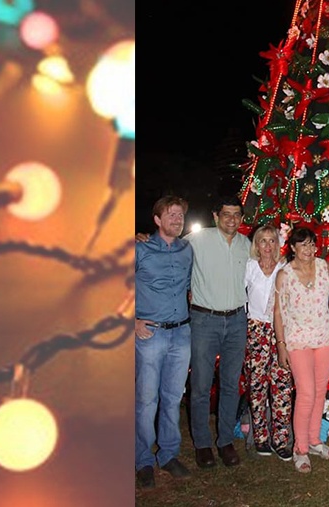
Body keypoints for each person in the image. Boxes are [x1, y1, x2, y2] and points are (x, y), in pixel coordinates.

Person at [273, 226, 329, 473]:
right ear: (293, 248)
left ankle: (315, 440)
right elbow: (278, 312)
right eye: (303, 244)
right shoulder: (285, 274)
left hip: (326, 337)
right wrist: (281, 345)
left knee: (319, 391)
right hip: (298, 340)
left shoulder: (324, 266)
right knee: (306, 392)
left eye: (312, 244)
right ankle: (301, 448)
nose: (308, 249)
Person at [186, 196, 251, 469]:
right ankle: (202, 444)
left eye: (237, 215)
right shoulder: (195, 241)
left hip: (237, 321)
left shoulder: (247, 245)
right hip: (204, 320)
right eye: (226, 214)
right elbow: (166, 249)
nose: (232, 220)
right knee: (200, 386)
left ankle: (225, 441)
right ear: (216, 216)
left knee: (229, 385)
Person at [134, 196, 195, 489]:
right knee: (146, 401)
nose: (177, 219)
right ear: (157, 220)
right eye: (171, 215)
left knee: (172, 399)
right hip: (150, 335)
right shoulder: (139, 248)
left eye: (180, 215)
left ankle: (168, 454)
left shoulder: (187, 249)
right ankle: (143, 459)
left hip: (181, 334)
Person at [243, 224, 293, 461]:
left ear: (278, 243)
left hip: (281, 331)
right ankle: (261, 436)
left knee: (282, 385)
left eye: (272, 240)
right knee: (257, 386)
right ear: (256, 244)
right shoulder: (250, 267)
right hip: (256, 331)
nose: (267, 246)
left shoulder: (285, 268)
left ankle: (281, 440)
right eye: (262, 241)